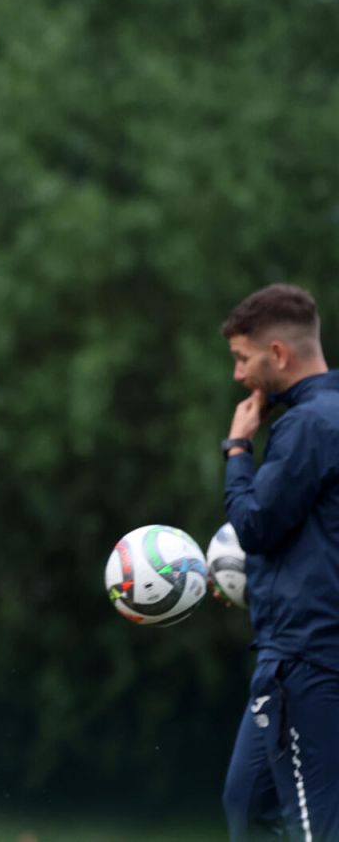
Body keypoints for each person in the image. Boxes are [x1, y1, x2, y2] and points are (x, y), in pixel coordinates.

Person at [219, 283, 339, 841]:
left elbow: (256, 526)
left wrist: (239, 449)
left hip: (307, 657)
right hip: (294, 654)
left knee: (313, 827)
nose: (240, 376)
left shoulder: (310, 425)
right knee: (248, 806)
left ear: (278, 354)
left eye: (243, 359)